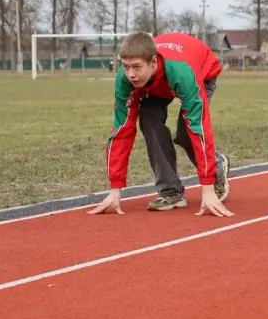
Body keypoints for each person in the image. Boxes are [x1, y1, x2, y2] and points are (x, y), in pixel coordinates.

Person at [88, 31, 233, 217]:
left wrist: (207, 189)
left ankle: (218, 165)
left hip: (201, 73)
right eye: (126, 67)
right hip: (155, 83)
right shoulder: (126, 80)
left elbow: (199, 128)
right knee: (148, 119)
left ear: (153, 62)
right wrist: (115, 189)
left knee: (186, 133)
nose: (131, 74)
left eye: (137, 67)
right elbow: (121, 131)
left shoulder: (182, 73)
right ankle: (171, 192)